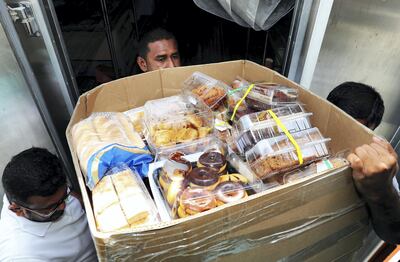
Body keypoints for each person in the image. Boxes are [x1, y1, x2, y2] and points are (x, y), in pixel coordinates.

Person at [328, 82, 400, 244]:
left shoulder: (374, 163)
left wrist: (381, 190)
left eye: (353, 130)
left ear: (370, 130)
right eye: (339, 123)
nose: (343, 135)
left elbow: (396, 234)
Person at [0, 147, 97, 261]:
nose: (62, 206)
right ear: (17, 210)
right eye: (51, 208)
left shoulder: (45, 188)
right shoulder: (21, 254)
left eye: (64, 197)